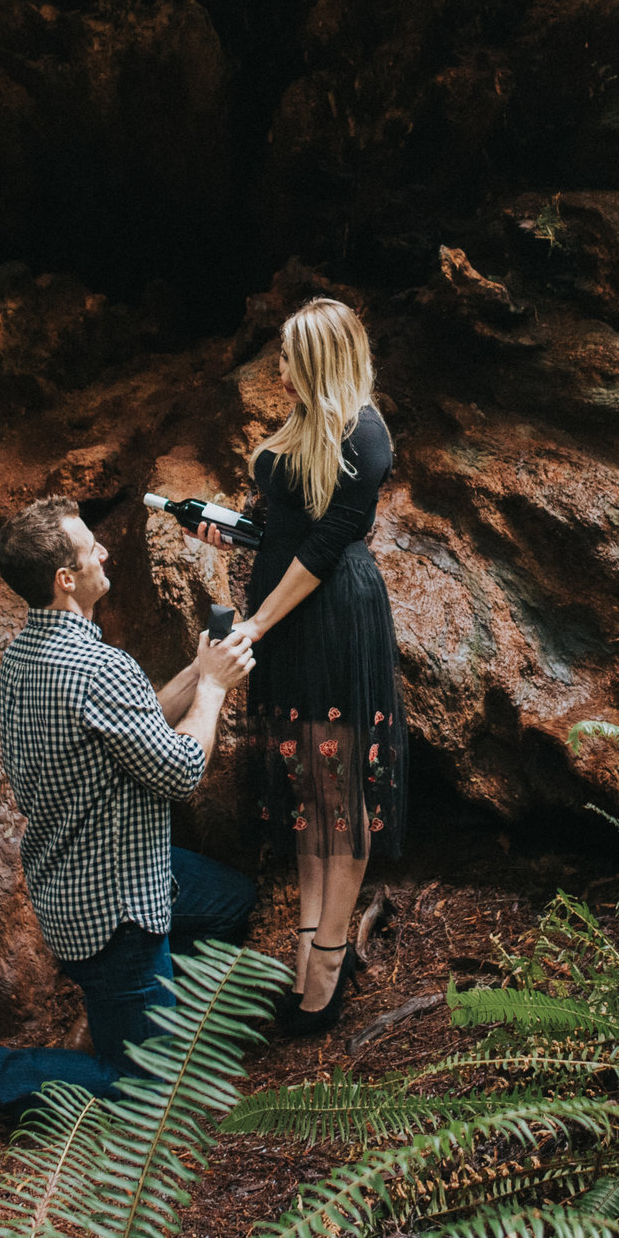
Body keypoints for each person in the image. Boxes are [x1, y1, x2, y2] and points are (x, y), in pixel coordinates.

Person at [0, 495, 258, 1137]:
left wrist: (200, 671)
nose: (104, 553)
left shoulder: (28, 655)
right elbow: (178, 770)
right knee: (143, 1097)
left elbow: (131, 720)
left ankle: (131, 1022)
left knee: (231, 903)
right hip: (118, 908)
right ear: (67, 578)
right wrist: (218, 690)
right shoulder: (96, 665)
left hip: (80, 879)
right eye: (92, 550)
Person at [202, 297, 406, 1036]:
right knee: (306, 787)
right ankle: (309, 946)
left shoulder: (365, 432)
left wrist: (256, 620)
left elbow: (324, 550)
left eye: (288, 356)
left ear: (316, 361)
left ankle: (325, 962)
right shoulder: (300, 427)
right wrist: (236, 534)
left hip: (330, 618)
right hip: (287, 616)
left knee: (336, 785)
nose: (278, 368)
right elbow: (289, 530)